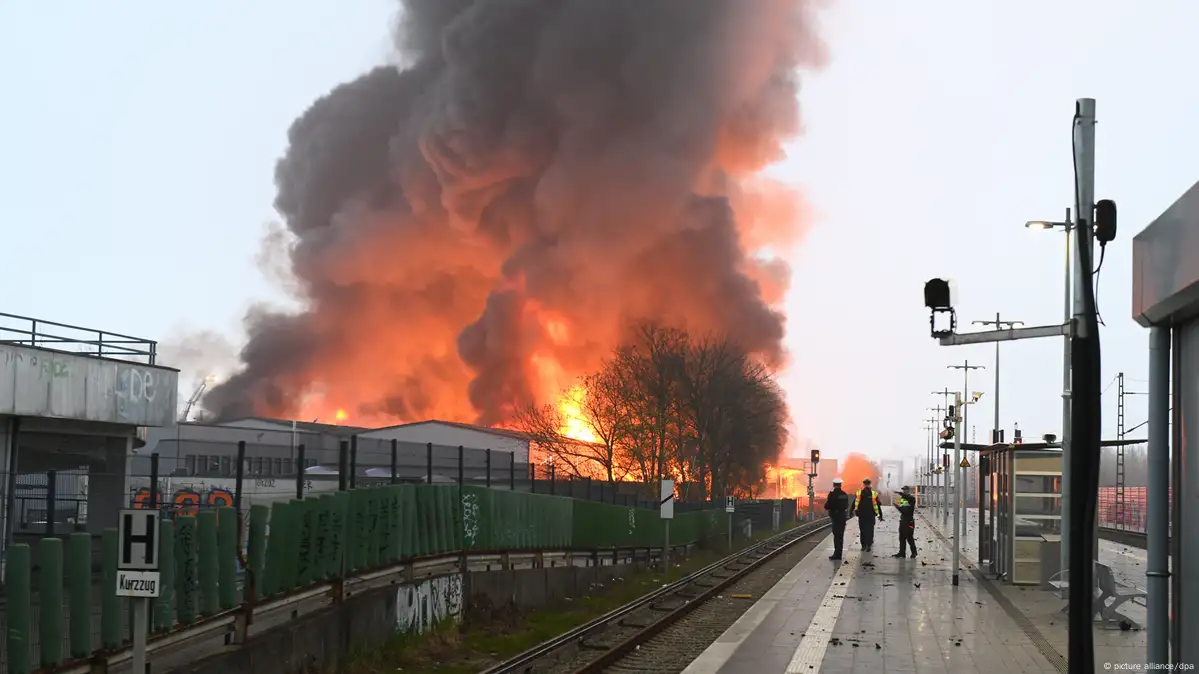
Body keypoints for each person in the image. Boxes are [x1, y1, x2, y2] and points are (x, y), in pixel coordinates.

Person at [824, 477, 851, 560]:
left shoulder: (832, 494)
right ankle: (839, 554)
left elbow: (827, 506)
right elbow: (847, 505)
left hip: (835, 517)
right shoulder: (844, 494)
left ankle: (837, 554)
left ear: (833, 485)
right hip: (842, 516)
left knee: (836, 535)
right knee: (840, 535)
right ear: (840, 485)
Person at [853, 478, 882, 552]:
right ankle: (868, 545)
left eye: (866, 484)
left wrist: (851, 512)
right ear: (870, 485)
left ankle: (864, 545)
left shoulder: (860, 493)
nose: (866, 486)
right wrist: (880, 515)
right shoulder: (874, 493)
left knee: (863, 531)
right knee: (869, 530)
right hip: (870, 515)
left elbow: (854, 503)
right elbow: (878, 505)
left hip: (863, 515)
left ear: (864, 485)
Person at [892, 485, 918, 558]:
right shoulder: (903, 499)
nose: (904, 491)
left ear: (908, 490)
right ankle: (902, 553)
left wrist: (899, 493)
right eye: (903, 490)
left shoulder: (912, 498)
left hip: (909, 521)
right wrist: (897, 506)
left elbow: (906, 509)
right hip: (903, 521)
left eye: (905, 490)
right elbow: (903, 509)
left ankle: (914, 552)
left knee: (909, 537)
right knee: (902, 537)